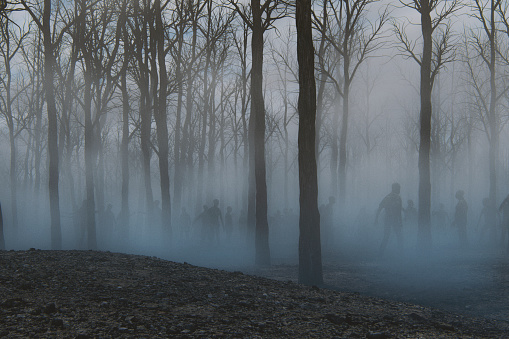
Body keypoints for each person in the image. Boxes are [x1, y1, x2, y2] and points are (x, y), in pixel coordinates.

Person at [375, 182, 403, 255]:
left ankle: (400, 253)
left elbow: (399, 211)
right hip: (389, 219)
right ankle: (381, 253)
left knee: (395, 236)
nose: (399, 190)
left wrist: (400, 221)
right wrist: (376, 219)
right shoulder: (389, 198)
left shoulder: (398, 198)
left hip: (393, 220)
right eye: (398, 188)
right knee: (390, 236)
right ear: (394, 188)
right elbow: (380, 208)